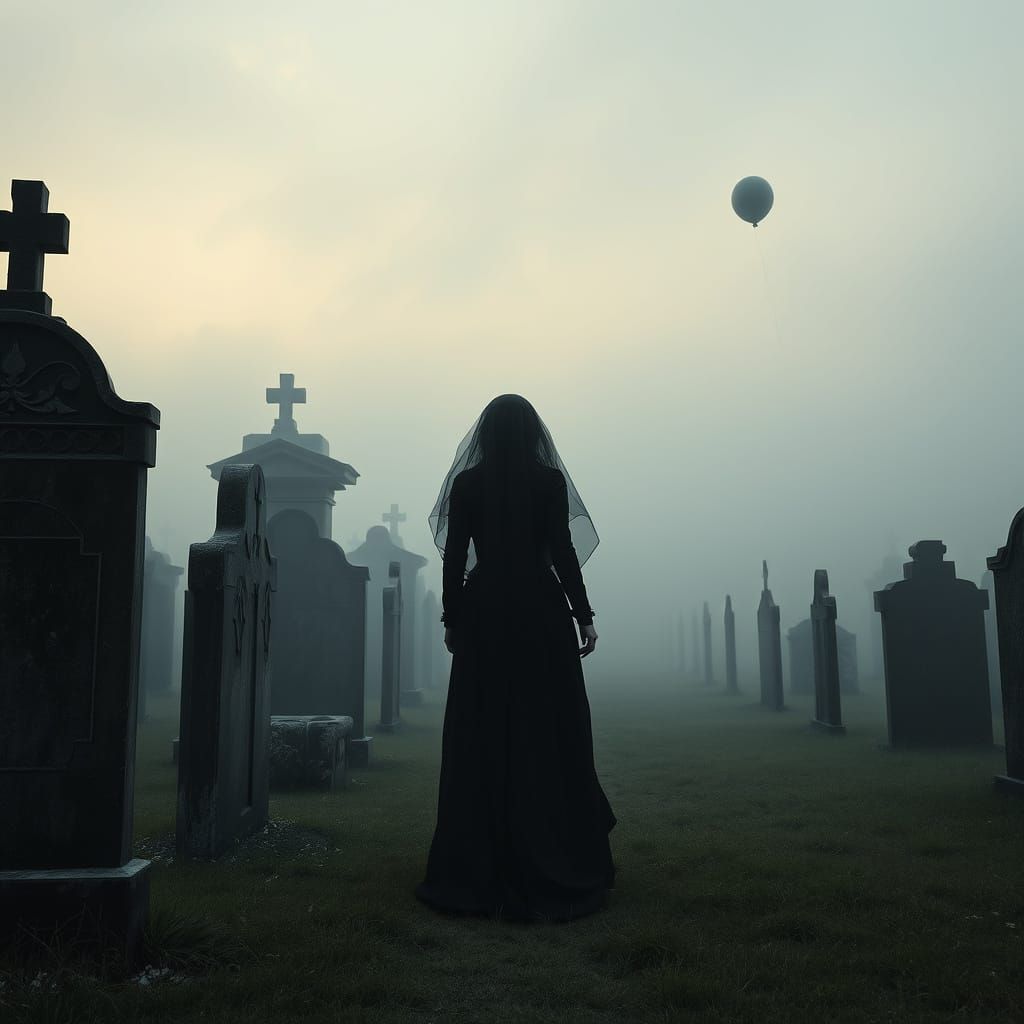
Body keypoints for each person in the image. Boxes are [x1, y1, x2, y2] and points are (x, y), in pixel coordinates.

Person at [415, 394, 616, 923]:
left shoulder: (468, 485)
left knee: (483, 732)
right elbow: (563, 553)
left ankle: (478, 863)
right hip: (541, 620)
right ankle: (554, 852)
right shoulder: (548, 483)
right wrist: (583, 614)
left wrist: (453, 621)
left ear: (485, 434)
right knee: (546, 732)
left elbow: (455, 557)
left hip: (484, 620)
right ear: (532, 434)